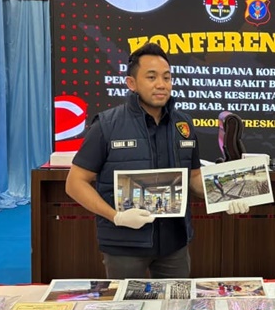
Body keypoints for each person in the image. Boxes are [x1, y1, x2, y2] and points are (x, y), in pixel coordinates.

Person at [66, 43, 209, 279]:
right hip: (124, 244)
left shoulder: (183, 125)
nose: (161, 84)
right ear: (131, 83)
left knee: (177, 302)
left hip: (174, 244)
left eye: (166, 77)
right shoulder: (107, 125)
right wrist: (116, 216)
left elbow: (194, 177)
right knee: (125, 303)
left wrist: (223, 195)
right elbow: (75, 183)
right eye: (151, 77)